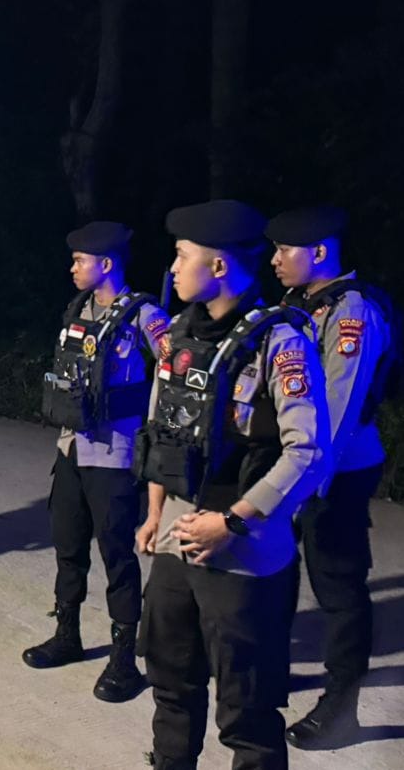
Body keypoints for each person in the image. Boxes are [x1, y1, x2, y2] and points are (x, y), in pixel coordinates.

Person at [134, 200, 329, 770]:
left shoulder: (280, 342)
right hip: (177, 540)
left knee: (247, 711)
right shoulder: (177, 335)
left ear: (218, 266)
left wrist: (233, 521)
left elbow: (307, 451)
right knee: (171, 683)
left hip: (245, 550)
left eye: (182, 255)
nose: (172, 267)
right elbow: (160, 429)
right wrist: (154, 513)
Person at [267, 206, 395, 746]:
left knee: (338, 586)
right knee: (275, 570)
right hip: (293, 464)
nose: (274, 260)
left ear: (319, 252)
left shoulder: (352, 314)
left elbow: (338, 411)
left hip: (336, 470)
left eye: (285, 250)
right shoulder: (298, 304)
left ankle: (343, 705)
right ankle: (271, 674)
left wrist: (305, 485)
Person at [26, 221, 169, 703]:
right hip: (70, 447)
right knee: (68, 545)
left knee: (117, 556)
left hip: (113, 454)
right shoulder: (78, 309)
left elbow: (174, 370)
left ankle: (124, 659)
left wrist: (156, 427)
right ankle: (67, 635)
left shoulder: (145, 314)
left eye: (79, 260)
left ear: (106, 264)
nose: (72, 268)